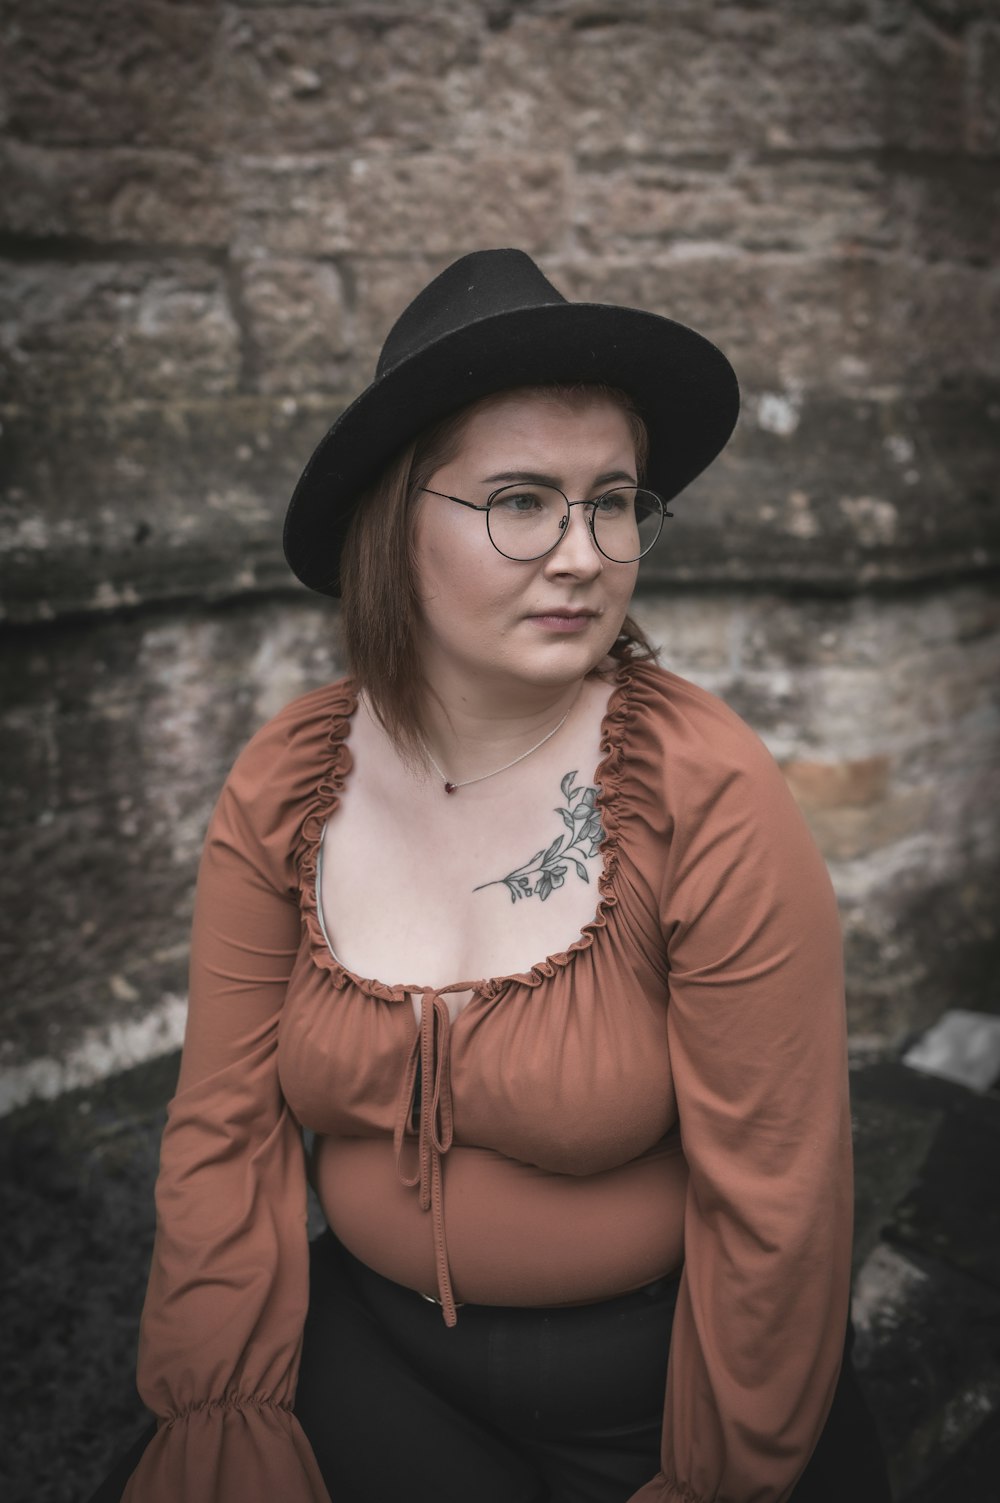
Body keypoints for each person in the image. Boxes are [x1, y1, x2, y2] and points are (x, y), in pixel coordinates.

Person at [92, 250, 890, 1503]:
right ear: (391, 519)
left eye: (612, 500)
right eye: (520, 499)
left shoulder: (706, 788)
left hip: (656, 1393)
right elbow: (223, 1133)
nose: (583, 553)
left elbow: (780, 1198)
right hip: (377, 1356)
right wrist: (220, 1406)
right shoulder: (287, 781)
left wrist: (717, 1473)